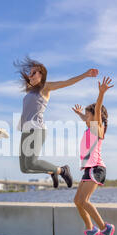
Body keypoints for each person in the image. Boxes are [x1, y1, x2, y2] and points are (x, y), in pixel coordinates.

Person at [16, 56, 99, 188]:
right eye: (30, 73)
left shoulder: (45, 87)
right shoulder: (30, 89)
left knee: (32, 163)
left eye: (33, 73)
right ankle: (53, 171)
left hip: (37, 129)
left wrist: (85, 74)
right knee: (24, 168)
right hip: (25, 130)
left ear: (41, 75)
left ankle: (62, 170)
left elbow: (67, 82)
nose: (30, 75)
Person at [72, 76, 115, 235]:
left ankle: (105, 228)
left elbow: (96, 111)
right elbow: (87, 118)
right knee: (77, 200)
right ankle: (90, 229)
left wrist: (101, 94)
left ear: (95, 117)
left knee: (84, 200)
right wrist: (80, 114)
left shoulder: (98, 128)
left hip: (96, 168)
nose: (86, 117)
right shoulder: (89, 127)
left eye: (88, 114)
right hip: (88, 169)